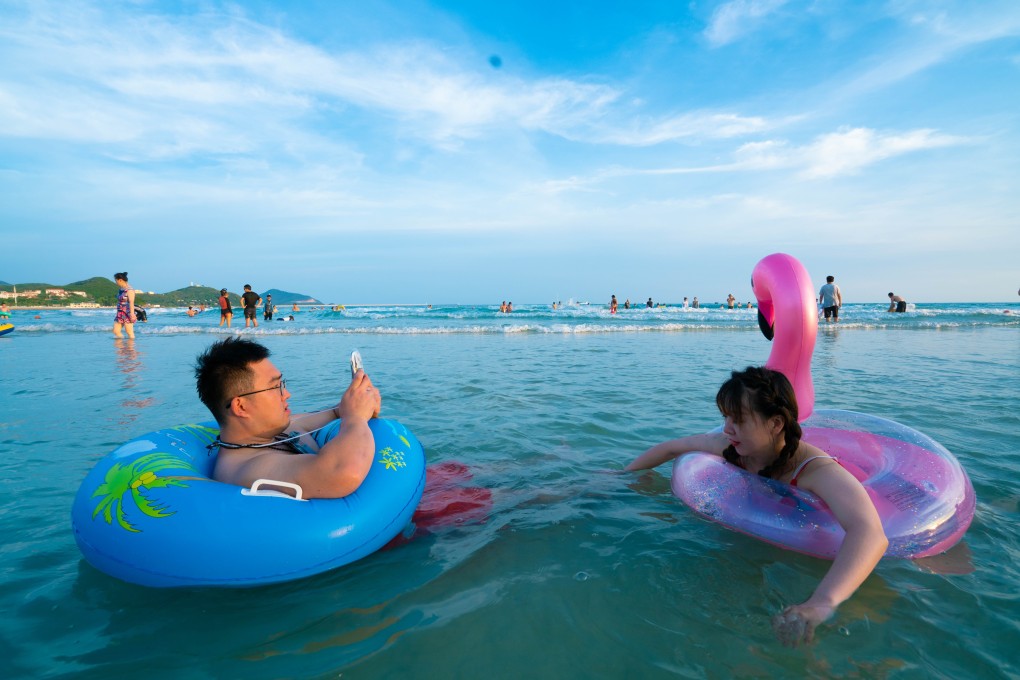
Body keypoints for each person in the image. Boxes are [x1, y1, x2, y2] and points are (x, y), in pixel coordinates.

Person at [626, 366, 888, 646]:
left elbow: (870, 533)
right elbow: (671, 448)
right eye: (725, 417)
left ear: (775, 424)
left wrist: (822, 603)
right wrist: (620, 477)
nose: (727, 428)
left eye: (738, 419)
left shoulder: (815, 470)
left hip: (801, 543)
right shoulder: (732, 447)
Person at [195, 337, 382, 499]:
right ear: (241, 407)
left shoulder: (270, 431)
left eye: (282, 384)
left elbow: (336, 412)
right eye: (275, 387)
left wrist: (360, 402)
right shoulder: (245, 469)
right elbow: (342, 473)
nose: (286, 394)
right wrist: (356, 418)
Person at [112, 272, 136, 339]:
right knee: (115, 331)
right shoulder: (121, 289)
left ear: (120, 280)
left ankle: (131, 345)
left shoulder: (129, 290)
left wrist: (132, 314)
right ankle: (122, 344)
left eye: (116, 280)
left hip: (127, 313)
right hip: (120, 313)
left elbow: (131, 302)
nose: (116, 282)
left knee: (129, 332)